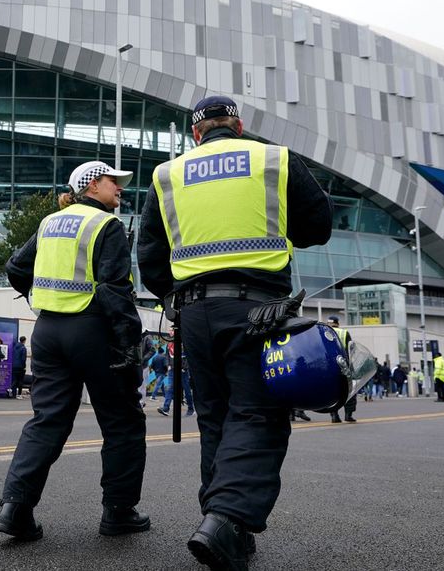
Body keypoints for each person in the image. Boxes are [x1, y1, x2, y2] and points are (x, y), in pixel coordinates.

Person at [137, 95, 333, 568]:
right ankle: (225, 519)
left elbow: (149, 255)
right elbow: (319, 226)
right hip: (257, 309)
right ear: (239, 125)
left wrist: (174, 297)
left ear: (195, 133)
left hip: (195, 314)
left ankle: (227, 527)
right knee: (257, 415)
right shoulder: (274, 158)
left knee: (215, 419)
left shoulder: (168, 174)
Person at [0, 160, 148, 541]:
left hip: (48, 330)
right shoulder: (105, 225)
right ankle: (118, 512)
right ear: (93, 185)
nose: (120, 189)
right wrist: (130, 343)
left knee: (47, 421)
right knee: (122, 422)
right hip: (93, 330)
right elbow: (115, 289)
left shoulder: (51, 221)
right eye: (115, 182)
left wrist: (38, 297)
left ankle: (15, 507)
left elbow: (16, 267)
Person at [327, 317, 357, 423]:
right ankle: (348, 415)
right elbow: (351, 349)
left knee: (333, 391)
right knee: (349, 390)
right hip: (344, 366)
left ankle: (334, 415)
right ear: (338, 323)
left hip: (329, 367)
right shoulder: (344, 333)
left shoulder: (324, 332)